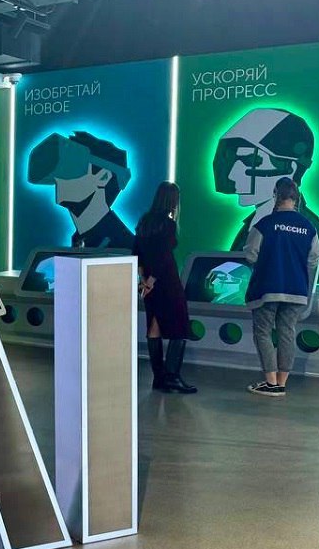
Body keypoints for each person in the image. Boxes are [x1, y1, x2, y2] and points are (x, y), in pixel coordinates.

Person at [213, 108, 319, 282]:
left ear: (291, 168)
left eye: (251, 161)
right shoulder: (255, 223)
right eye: (235, 161)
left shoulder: (318, 233)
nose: (234, 174)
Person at [243, 177, 319, 397]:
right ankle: (282, 382)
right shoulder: (309, 227)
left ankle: (270, 382)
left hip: (267, 287)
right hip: (296, 289)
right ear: (296, 198)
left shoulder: (265, 224)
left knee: (263, 332)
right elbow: (315, 258)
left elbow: (250, 254)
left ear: (276, 195)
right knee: (287, 332)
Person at [133, 181, 196, 394]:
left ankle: (159, 378)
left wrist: (144, 280)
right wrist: (152, 280)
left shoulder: (144, 222)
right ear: (172, 200)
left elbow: (137, 252)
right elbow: (164, 258)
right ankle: (172, 377)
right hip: (166, 283)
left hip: (149, 285)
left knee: (154, 326)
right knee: (180, 326)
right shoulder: (167, 225)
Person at [27, 130, 135, 250]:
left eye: (72, 168)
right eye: (59, 171)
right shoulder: (80, 240)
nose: (59, 180)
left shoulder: (123, 246)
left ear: (103, 177)